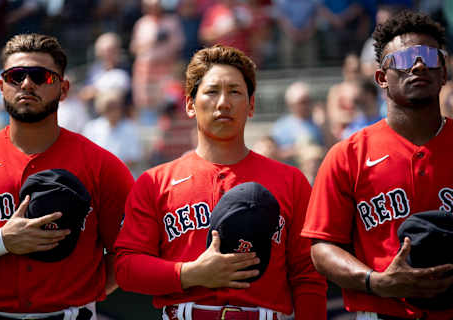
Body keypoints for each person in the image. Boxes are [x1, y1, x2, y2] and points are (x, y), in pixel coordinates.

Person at [114, 44, 327, 320]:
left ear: (251, 105)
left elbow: (308, 277)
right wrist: (190, 273)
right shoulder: (154, 182)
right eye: (212, 91)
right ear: (190, 104)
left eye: (235, 92)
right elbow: (127, 269)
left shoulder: (291, 181)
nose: (223, 102)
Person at [302, 10, 453, 319]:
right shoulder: (347, 154)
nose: (419, 64)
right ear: (382, 78)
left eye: (428, 55)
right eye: (404, 59)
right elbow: (322, 248)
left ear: (443, 73)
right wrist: (376, 282)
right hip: (380, 312)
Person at [0, 33, 134, 320]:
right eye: (15, 76)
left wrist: (80, 296)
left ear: (64, 89)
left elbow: (127, 256)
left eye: (41, 76)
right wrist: (1, 241)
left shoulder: (101, 165)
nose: (26, 84)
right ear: (1, 86)